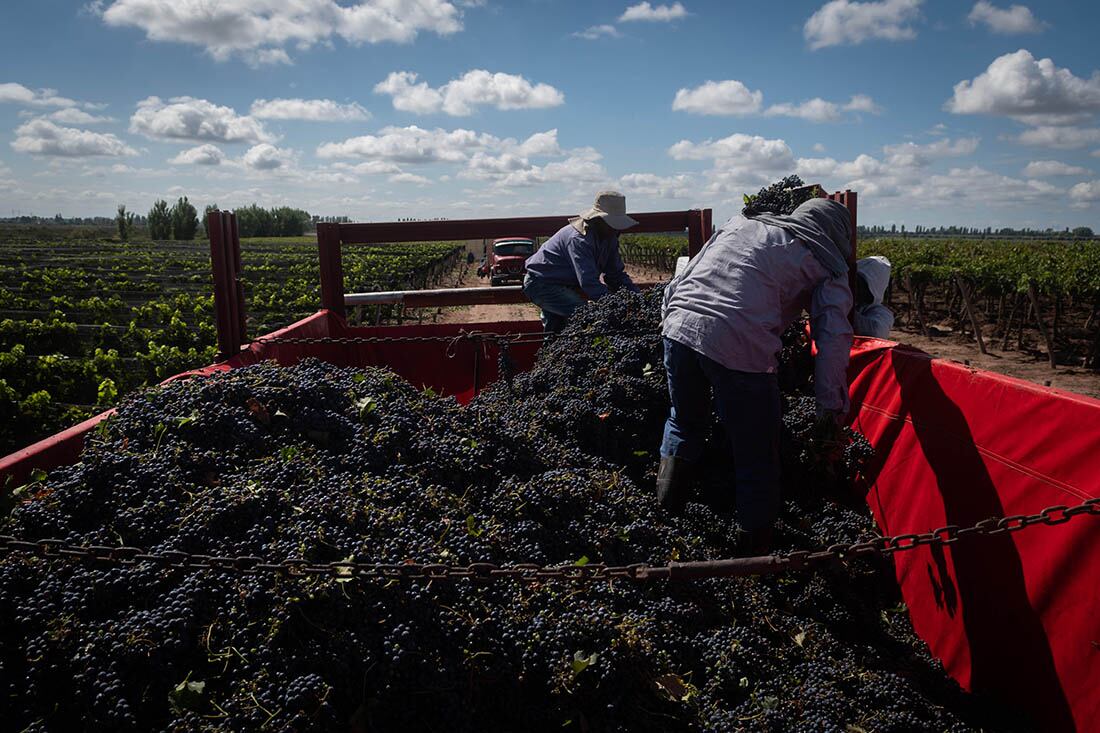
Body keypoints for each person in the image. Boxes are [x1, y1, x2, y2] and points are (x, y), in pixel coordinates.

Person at [657, 198, 855, 553]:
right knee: (757, 452)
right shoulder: (827, 262)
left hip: (679, 326)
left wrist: (672, 326)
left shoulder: (739, 224)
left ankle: (664, 519)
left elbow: (680, 282)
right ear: (838, 235)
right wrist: (830, 410)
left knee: (684, 423)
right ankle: (754, 558)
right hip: (740, 344)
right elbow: (833, 340)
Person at [523, 191, 640, 333]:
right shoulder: (578, 239)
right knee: (586, 316)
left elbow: (615, 274)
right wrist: (614, 306)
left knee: (557, 330)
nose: (616, 229)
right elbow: (588, 282)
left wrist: (637, 298)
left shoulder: (610, 237)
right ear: (598, 220)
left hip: (563, 285)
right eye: (612, 223)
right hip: (541, 284)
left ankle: (553, 351)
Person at [853, 256, 894, 339]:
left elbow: (876, 332)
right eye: (855, 282)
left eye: (862, 285)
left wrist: (845, 310)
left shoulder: (883, 314)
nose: (856, 288)